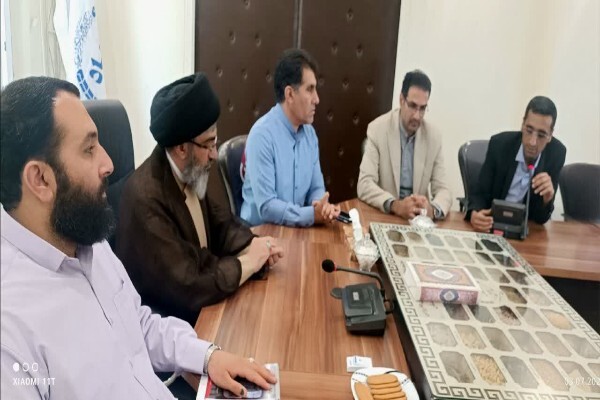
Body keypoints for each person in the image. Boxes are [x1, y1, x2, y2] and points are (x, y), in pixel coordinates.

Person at [0, 76, 276, 399]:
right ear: (40, 179)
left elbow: (139, 324)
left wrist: (208, 356)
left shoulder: (86, 239)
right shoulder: (10, 331)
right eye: (89, 149)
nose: (109, 163)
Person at [116, 73, 284, 325]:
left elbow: (219, 224)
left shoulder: (187, 171)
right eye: (208, 145)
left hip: (200, 308)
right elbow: (188, 284)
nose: (215, 154)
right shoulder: (145, 199)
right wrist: (249, 262)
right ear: (182, 148)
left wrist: (254, 244)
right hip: (170, 325)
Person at [241, 48, 340, 227]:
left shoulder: (310, 134)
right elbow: (268, 207)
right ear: (290, 94)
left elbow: (316, 187)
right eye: (310, 90)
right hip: (260, 233)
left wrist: (321, 206)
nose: (317, 99)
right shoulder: (261, 135)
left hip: (296, 229)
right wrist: (311, 215)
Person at [357, 70, 452, 220]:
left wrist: (432, 210)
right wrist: (396, 205)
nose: (417, 115)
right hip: (387, 215)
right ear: (401, 100)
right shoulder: (378, 129)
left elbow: (443, 190)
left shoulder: (433, 136)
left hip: (418, 221)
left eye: (422, 108)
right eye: (413, 106)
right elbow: (364, 184)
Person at [467, 96, 566, 231]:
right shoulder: (499, 145)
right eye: (529, 130)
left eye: (541, 135)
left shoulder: (556, 154)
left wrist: (547, 199)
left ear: (550, 135)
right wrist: (474, 213)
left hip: (525, 231)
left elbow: (540, 219)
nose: (532, 142)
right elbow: (479, 193)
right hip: (492, 225)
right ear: (522, 124)